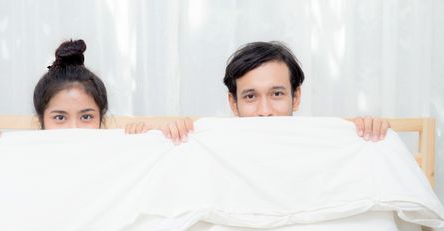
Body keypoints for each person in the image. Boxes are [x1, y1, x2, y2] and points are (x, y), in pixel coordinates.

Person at [160, 41, 390, 143]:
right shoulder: (212, 144)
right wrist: (154, 138)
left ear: (296, 97)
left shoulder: (322, 143)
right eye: (250, 96)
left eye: (277, 94)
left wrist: (372, 134)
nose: (265, 111)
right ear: (233, 103)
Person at [0, 39, 116, 148]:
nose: (73, 128)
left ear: (101, 118)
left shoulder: (114, 158)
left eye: (86, 116)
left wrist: (136, 138)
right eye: (60, 117)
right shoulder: (25, 157)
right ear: (41, 120)